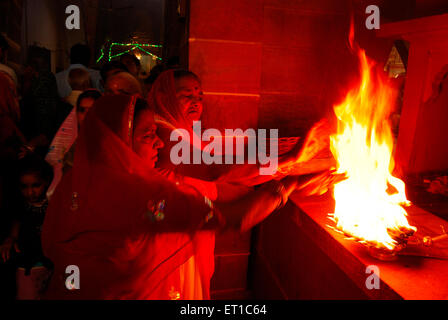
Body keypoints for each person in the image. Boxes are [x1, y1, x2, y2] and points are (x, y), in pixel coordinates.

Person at [41, 95, 305, 300]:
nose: (159, 143)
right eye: (148, 136)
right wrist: (291, 183)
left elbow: (218, 185)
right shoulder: (145, 195)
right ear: (117, 143)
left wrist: (286, 165)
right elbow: (232, 217)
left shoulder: (73, 183)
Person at [0, 155, 53, 299]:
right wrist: (10, 239)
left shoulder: (54, 203)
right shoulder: (21, 206)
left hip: (52, 263)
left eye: (36, 185)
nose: (30, 192)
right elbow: (15, 228)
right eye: (24, 186)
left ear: (46, 182)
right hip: (28, 264)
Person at [45, 89, 102, 198]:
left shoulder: (109, 143)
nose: (86, 115)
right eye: (82, 110)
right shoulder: (71, 144)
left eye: (91, 110)